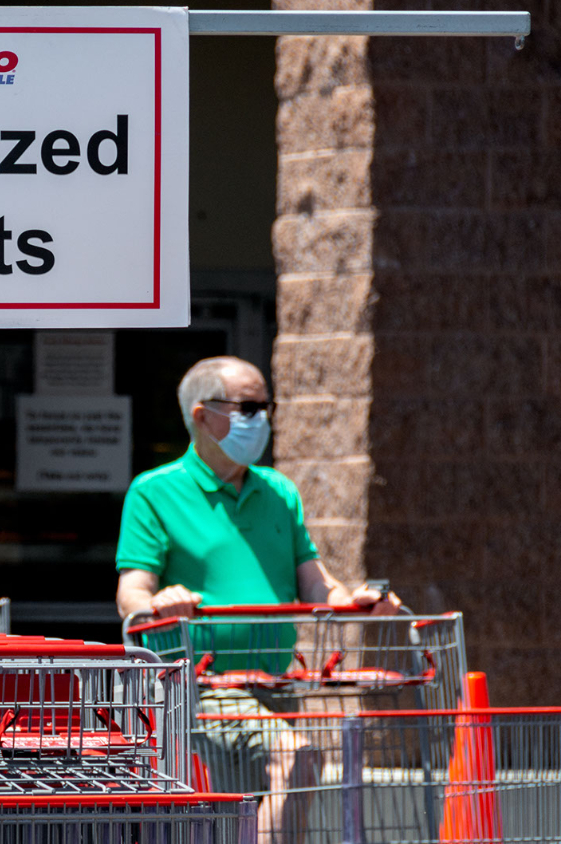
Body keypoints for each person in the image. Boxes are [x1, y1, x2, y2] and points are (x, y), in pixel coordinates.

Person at [114, 356, 400, 841]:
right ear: (202, 415)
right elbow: (131, 593)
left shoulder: (279, 491)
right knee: (297, 758)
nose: (262, 418)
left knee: (252, 808)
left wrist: (357, 600)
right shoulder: (155, 492)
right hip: (204, 689)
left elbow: (314, 582)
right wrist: (163, 599)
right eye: (248, 406)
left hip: (278, 684)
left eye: (267, 406)